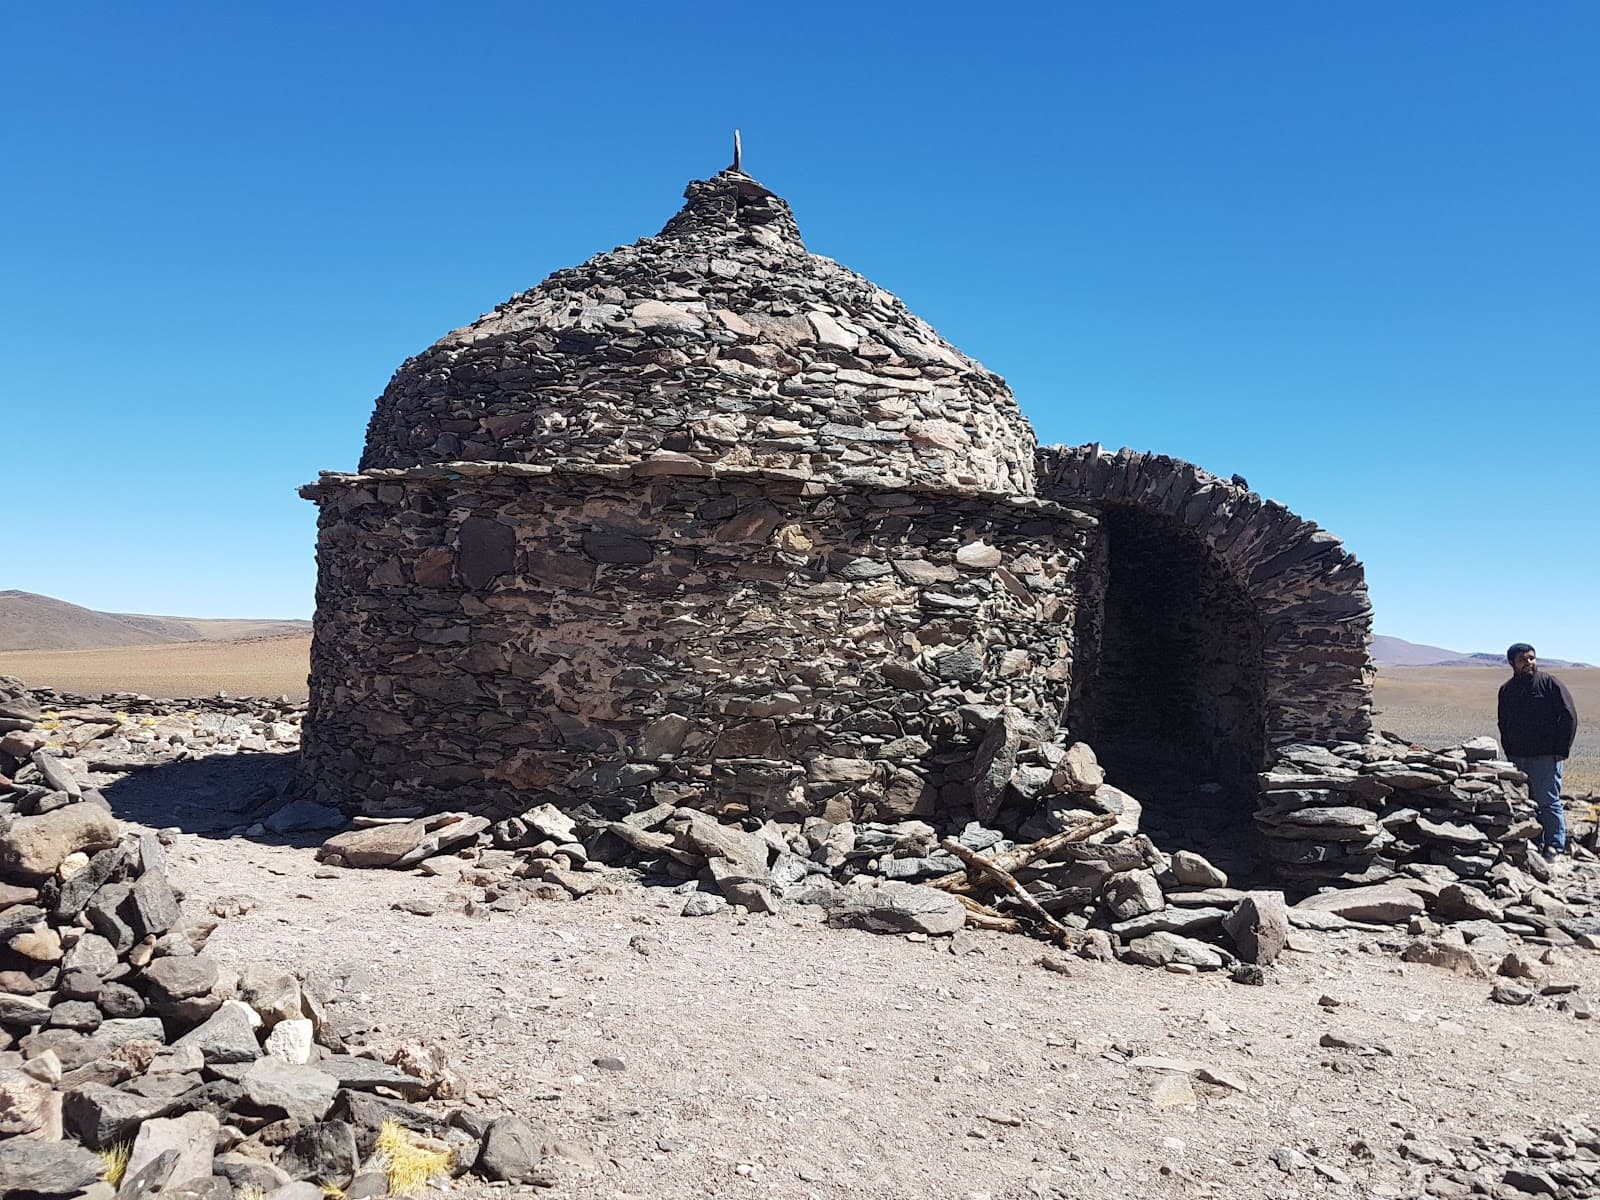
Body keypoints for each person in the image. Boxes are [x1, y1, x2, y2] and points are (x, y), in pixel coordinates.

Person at [1497, 643, 1579, 861]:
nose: (1529, 663)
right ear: (1512, 663)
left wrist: (1562, 750)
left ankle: (1554, 845)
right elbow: (1503, 723)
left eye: (1532, 658)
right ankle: (1533, 841)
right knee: (1525, 802)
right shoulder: (1507, 690)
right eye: (1523, 659)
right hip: (1517, 757)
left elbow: (1569, 716)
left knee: (1547, 801)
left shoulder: (1549, 683)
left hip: (1546, 757)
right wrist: (1509, 751)